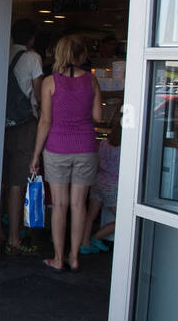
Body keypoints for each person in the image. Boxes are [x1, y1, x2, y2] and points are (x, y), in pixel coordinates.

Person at [30, 33, 104, 272]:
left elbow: (45, 121)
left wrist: (35, 155)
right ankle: (74, 257)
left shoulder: (50, 82)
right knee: (78, 205)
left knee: (60, 205)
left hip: (57, 148)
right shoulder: (91, 81)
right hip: (85, 147)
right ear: (82, 54)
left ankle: (58, 258)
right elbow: (97, 117)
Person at [2, 18, 44, 255]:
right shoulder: (32, 58)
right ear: (31, 38)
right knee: (17, 182)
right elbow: (38, 94)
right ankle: (14, 237)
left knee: (0, 181)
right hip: (23, 125)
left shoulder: (0, 50)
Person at [81, 111, 122, 254]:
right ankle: (97, 237)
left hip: (98, 181)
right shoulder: (126, 148)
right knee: (124, 220)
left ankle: (84, 244)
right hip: (114, 186)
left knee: (90, 215)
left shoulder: (104, 144)